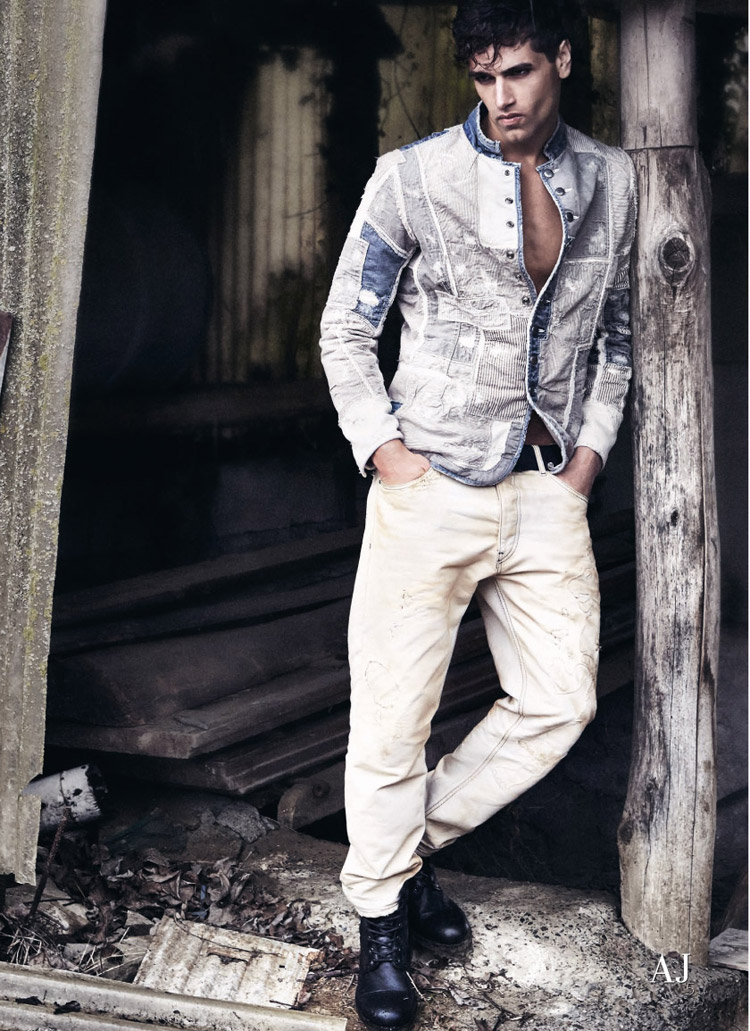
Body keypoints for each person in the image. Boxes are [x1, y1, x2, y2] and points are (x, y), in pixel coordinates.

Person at [319, 1, 637, 1027]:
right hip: (430, 487)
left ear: (563, 60)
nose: (501, 97)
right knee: (391, 722)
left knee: (559, 700)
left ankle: (404, 853)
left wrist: (586, 460)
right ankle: (381, 927)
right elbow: (346, 327)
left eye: (520, 73)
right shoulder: (413, 178)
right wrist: (386, 452)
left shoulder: (615, 181)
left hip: (545, 489)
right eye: (484, 77)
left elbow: (619, 334)